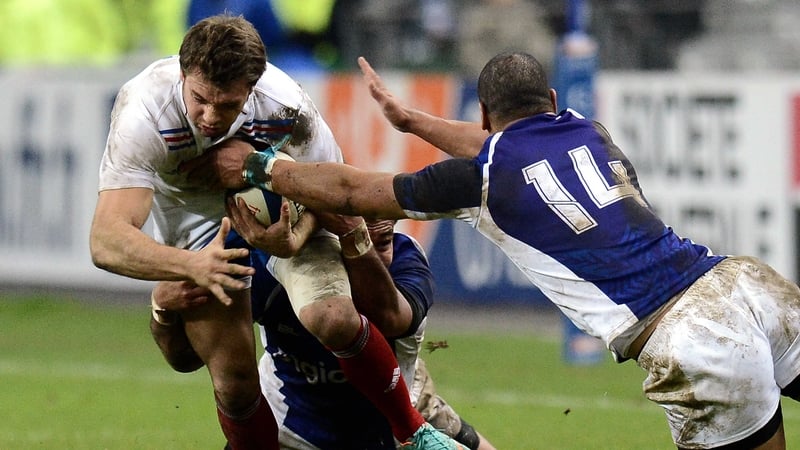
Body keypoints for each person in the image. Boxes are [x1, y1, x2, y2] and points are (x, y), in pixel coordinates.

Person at [227, 52, 800, 449]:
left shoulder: (480, 180)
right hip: (744, 284)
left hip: (691, 334)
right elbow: (503, 143)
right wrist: (412, 121)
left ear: (483, 114)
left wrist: (260, 166)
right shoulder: (587, 129)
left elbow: (355, 192)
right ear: (551, 100)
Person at [89, 14, 463, 450]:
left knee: (333, 317)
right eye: (200, 99)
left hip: (287, 217)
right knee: (233, 381)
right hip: (198, 235)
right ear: (183, 74)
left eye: (227, 105)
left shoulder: (285, 107)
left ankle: (415, 433)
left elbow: (332, 196)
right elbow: (106, 239)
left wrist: (294, 236)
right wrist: (191, 265)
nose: (210, 117)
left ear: (251, 89)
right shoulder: (145, 111)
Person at [151, 210, 495, 449]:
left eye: (383, 241)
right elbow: (185, 359)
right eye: (359, 239)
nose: (376, 254)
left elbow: (391, 318)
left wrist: (352, 234)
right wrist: (163, 309)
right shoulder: (271, 272)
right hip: (289, 429)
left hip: (397, 417)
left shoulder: (407, 260)